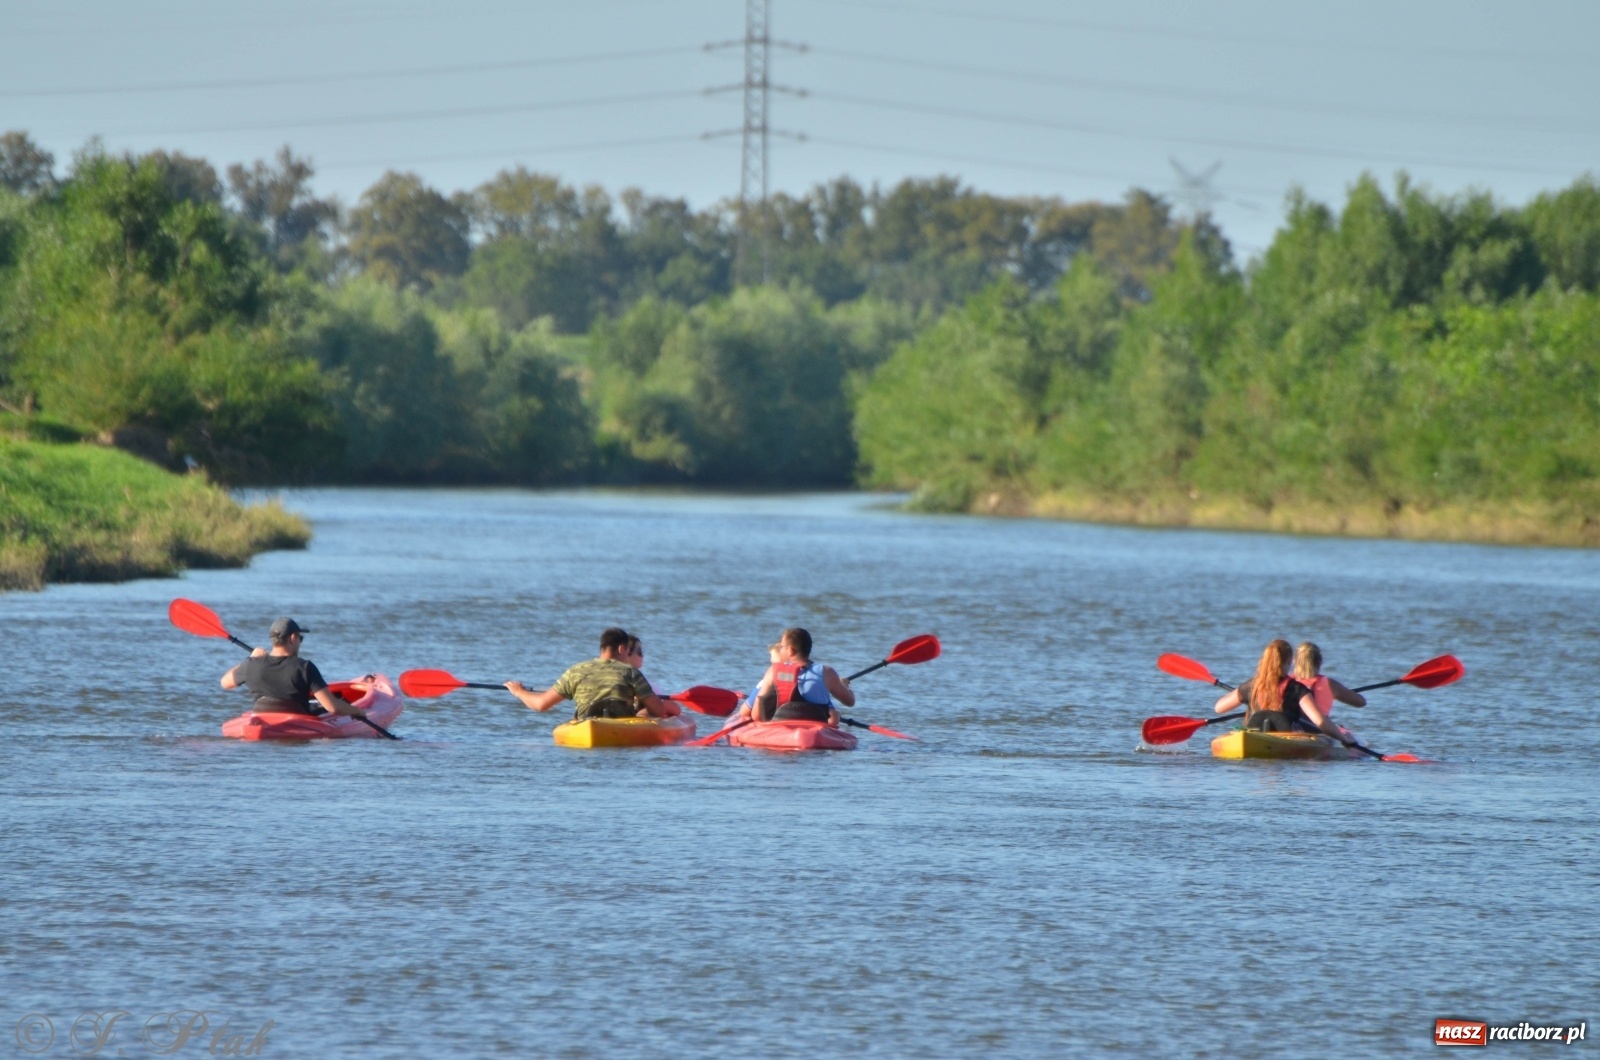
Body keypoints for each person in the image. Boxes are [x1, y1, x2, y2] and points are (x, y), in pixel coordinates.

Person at [506, 627, 678, 720]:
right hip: (622, 725)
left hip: (586, 724)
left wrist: (519, 692)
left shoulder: (575, 671)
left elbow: (541, 704)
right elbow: (658, 710)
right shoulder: (631, 672)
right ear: (621, 649)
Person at [220, 617, 368, 719]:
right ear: (292, 638)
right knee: (339, 701)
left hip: (262, 718)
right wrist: (357, 711)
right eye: (300, 638)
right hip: (298, 721)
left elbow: (225, 683)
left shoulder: (250, 665)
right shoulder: (305, 667)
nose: (300, 643)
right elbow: (333, 707)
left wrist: (251, 658)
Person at [1213, 638, 1349, 744]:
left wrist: (1244, 695)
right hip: (1288, 738)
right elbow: (1320, 721)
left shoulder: (1251, 685)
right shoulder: (1297, 689)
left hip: (1255, 735)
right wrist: (1343, 738)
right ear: (1289, 661)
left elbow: (1219, 708)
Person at [738, 627, 854, 727]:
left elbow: (756, 715)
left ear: (790, 650)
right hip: (814, 730)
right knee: (834, 714)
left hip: (778, 729)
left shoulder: (773, 671)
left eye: (781, 647)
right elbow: (850, 701)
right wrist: (842, 684)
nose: (780, 649)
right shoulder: (827, 673)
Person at [1293, 641, 1366, 734]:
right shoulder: (1331, 685)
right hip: (1316, 732)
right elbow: (1362, 702)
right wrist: (1338, 693)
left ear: (1294, 661)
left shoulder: (1287, 681)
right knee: (1343, 731)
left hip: (1290, 730)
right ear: (1319, 663)